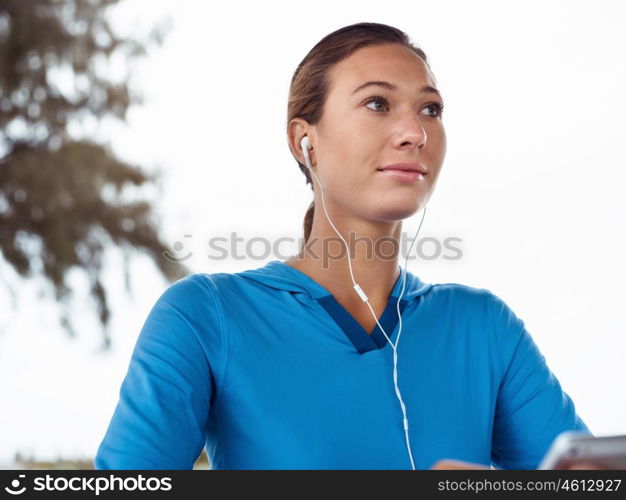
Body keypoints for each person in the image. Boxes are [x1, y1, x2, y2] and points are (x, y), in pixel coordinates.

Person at [94, 22, 591, 470]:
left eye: (431, 109)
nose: (415, 132)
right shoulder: (204, 317)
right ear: (304, 141)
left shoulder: (485, 330)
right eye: (377, 103)